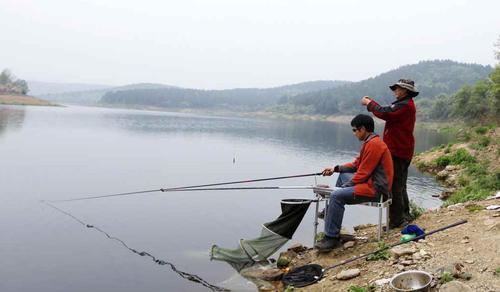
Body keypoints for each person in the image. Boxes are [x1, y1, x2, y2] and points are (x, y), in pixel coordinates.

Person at [314, 114, 393, 252]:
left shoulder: (374, 144)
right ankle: (330, 211)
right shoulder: (370, 142)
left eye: (354, 130)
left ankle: (331, 237)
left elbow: (363, 173)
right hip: (370, 182)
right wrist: (335, 169)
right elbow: (357, 164)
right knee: (343, 175)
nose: (354, 133)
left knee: (336, 196)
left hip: (376, 189)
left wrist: (342, 189)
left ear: (362, 129)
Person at [360, 79, 418, 228]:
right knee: (401, 184)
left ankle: (397, 221)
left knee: (394, 185)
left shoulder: (404, 105)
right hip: (403, 149)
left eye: (397, 88)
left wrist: (369, 103)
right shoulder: (405, 104)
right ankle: (405, 215)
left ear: (405, 90)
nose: (395, 91)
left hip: (398, 150)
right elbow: (387, 111)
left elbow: (384, 112)